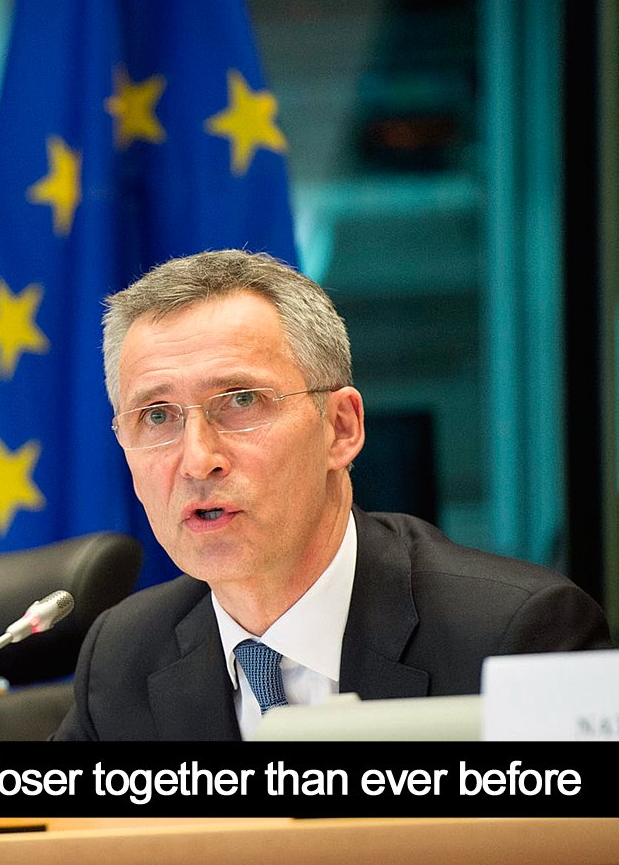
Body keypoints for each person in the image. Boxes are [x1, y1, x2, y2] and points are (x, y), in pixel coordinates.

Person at [54, 249, 612, 741]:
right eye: (157, 416)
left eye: (242, 401)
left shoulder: (516, 636)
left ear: (341, 428)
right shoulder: (123, 657)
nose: (198, 460)